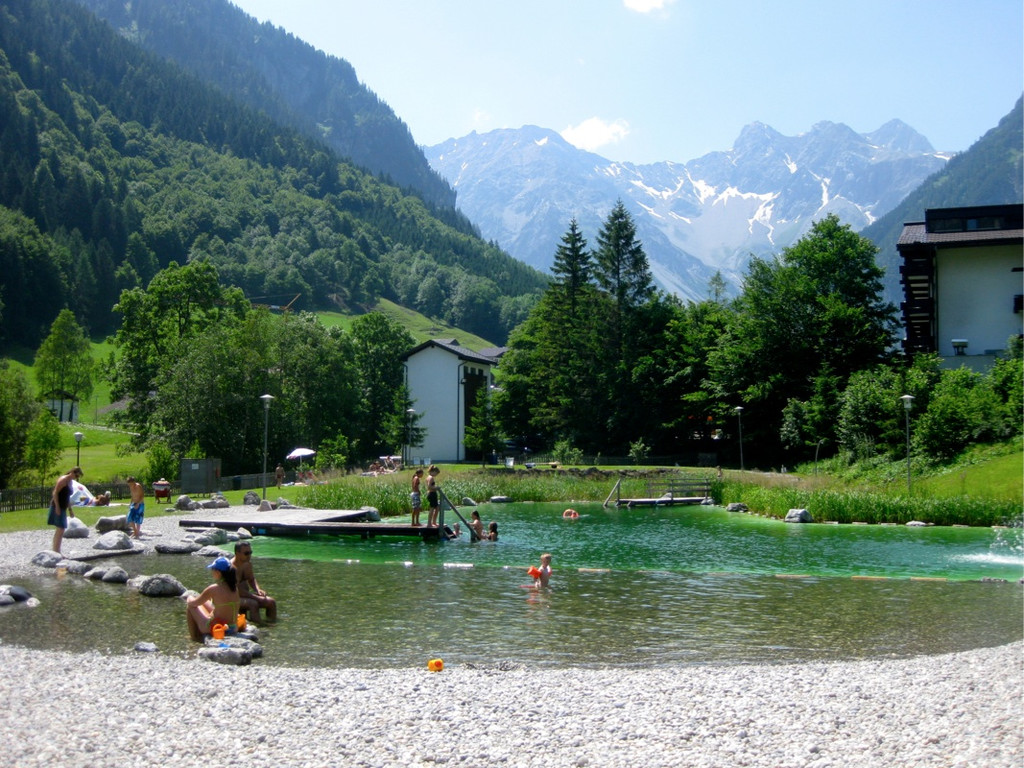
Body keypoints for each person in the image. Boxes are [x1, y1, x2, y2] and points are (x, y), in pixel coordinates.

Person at [186, 556, 240, 642]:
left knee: (190, 605)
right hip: (233, 627)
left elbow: (194, 603)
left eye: (212, 569)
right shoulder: (234, 588)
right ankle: (197, 636)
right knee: (206, 602)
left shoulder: (213, 588)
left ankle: (194, 638)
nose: (211, 572)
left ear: (218, 572)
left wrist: (189, 598)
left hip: (218, 628)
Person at [231, 542, 277, 622]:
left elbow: (251, 579)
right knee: (253, 604)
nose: (249, 555)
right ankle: (259, 626)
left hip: (245, 596)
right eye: (246, 553)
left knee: (271, 602)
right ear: (237, 553)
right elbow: (237, 590)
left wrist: (258, 589)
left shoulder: (247, 564)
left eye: (250, 552)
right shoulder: (231, 568)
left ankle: (272, 624)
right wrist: (256, 597)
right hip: (233, 598)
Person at [48, 467, 81, 554]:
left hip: (63, 506)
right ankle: (56, 551)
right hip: (57, 506)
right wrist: (57, 507)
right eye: (76, 476)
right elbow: (55, 493)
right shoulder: (63, 480)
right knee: (61, 528)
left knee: (61, 528)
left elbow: (67, 497)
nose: (76, 478)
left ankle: (56, 550)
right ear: (72, 472)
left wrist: (70, 509)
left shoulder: (70, 482)